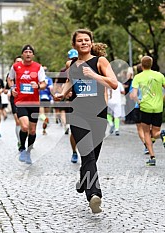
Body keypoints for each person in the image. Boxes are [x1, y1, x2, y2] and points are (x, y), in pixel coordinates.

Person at [54, 29, 118, 213]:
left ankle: (84, 180)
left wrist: (94, 75)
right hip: (78, 114)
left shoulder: (100, 61)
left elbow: (113, 83)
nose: (84, 43)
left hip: (98, 115)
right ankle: (94, 195)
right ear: (74, 44)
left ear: (91, 42)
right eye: (80, 40)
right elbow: (70, 81)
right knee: (88, 155)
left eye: (87, 40)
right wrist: (63, 94)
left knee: (92, 158)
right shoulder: (72, 64)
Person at [8, 44, 46, 164]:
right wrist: (12, 87)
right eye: (26, 52)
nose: (28, 54)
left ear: (33, 55)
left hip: (34, 102)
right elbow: (10, 79)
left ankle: (29, 151)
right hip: (20, 101)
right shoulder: (16, 66)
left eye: (30, 52)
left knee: (33, 130)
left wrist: (38, 86)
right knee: (24, 126)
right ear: (22, 54)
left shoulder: (38, 67)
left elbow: (44, 83)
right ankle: (22, 148)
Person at [131, 56, 165, 166]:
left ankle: (152, 157)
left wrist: (138, 102)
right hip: (158, 107)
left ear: (141, 64)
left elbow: (134, 94)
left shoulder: (138, 77)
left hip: (145, 108)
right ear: (152, 63)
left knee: (146, 132)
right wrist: (162, 99)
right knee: (155, 133)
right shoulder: (159, 75)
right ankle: (162, 134)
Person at [5, 55, 23, 148]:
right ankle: (20, 142)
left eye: (20, 61)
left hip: (25, 99)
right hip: (15, 99)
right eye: (17, 61)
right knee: (17, 121)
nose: (19, 63)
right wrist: (9, 91)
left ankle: (25, 139)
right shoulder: (11, 74)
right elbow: (7, 87)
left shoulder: (27, 72)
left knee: (25, 123)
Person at [39, 66, 53, 135]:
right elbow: (51, 89)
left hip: (42, 98)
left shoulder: (39, 79)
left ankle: (44, 129)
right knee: (45, 115)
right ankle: (44, 129)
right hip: (45, 98)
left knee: (43, 115)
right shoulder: (49, 79)